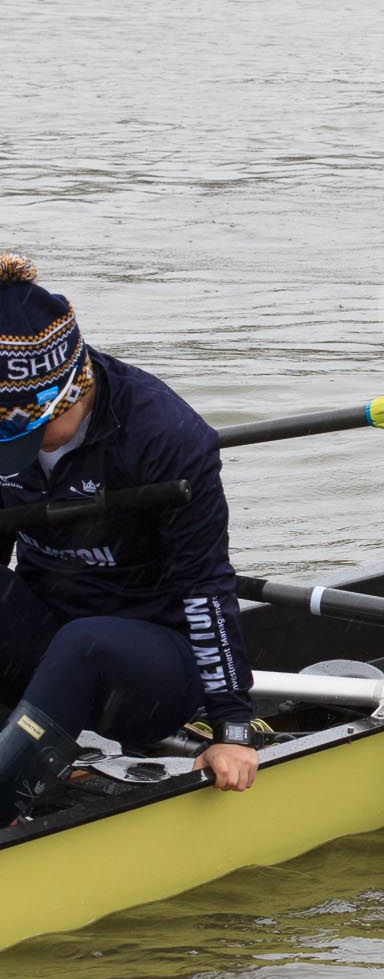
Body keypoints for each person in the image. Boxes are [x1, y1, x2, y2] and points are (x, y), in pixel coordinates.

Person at [0, 256, 257, 824]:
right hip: (49, 637)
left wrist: (232, 728)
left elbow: (207, 586)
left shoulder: (166, 437)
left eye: (26, 433)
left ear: (70, 391)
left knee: (85, 643)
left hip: (152, 667)